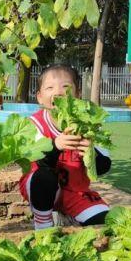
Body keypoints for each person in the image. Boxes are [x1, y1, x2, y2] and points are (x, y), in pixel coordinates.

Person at [20, 64, 111, 229]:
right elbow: (38, 162)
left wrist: (92, 154)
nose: (58, 92)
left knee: (106, 223)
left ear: (77, 94)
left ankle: (68, 215)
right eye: (50, 87)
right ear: (40, 97)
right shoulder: (33, 125)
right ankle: (43, 223)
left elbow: (104, 166)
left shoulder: (89, 124)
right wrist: (56, 145)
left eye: (66, 87)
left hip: (76, 192)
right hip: (40, 188)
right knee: (44, 177)